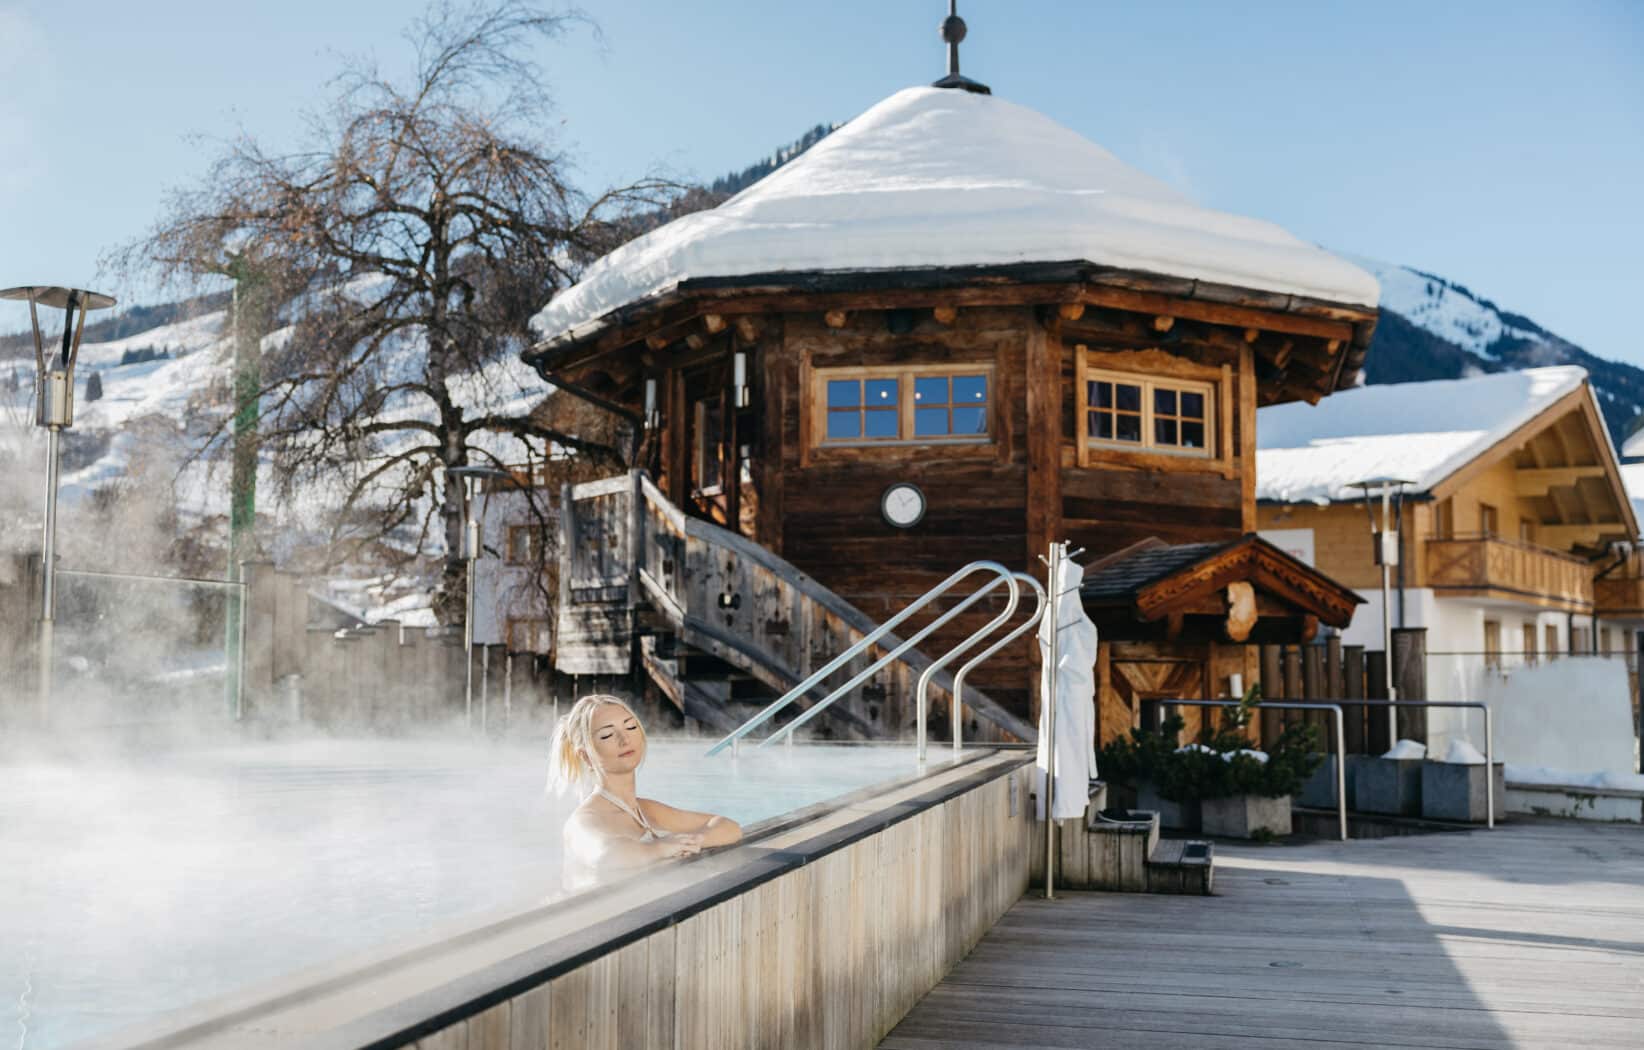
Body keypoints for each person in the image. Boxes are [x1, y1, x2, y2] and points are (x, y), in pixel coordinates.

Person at [548, 694, 742, 890]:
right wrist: (661, 848)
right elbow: (608, 856)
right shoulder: (582, 821)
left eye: (630, 727)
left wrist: (695, 840)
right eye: (607, 735)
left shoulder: (647, 810)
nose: (625, 739)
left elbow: (729, 827)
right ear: (586, 756)